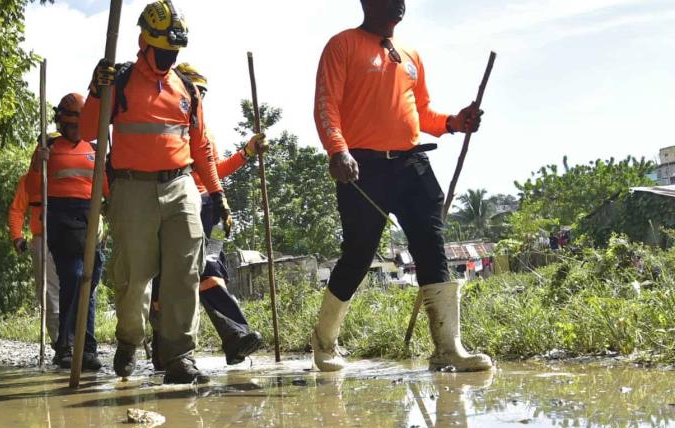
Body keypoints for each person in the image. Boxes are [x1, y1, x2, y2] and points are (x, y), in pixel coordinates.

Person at [312, 0, 493, 372]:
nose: (398, 3)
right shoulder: (342, 44)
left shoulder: (410, 54)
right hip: (361, 167)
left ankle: (448, 348)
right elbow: (326, 104)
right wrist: (337, 151)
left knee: (431, 246)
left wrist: (456, 122)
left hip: (412, 164)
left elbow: (423, 112)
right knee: (359, 254)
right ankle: (325, 343)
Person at [79, 0, 228, 384]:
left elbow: (202, 149)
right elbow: (86, 132)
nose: (168, 57)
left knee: (185, 273)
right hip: (132, 190)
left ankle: (180, 356)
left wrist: (217, 193)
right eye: (162, 50)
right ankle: (130, 339)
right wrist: (97, 90)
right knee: (134, 278)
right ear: (143, 41)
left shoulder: (187, 90)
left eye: (174, 52)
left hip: (180, 187)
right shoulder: (121, 81)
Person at [146, 62, 268, 370]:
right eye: (194, 91)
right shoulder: (167, 125)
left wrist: (247, 153)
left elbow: (212, 169)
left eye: (202, 93)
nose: (198, 97)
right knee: (167, 279)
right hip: (173, 203)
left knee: (209, 268)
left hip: (207, 204)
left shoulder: (204, 129)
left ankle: (235, 335)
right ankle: (166, 352)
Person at [27, 93, 107, 370]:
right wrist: (39, 163)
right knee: (73, 277)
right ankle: (66, 345)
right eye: (70, 123)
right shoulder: (47, 147)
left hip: (89, 218)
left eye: (79, 124)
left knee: (90, 283)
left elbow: (108, 189)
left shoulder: (96, 149)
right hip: (59, 218)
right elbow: (31, 189)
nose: (75, 129)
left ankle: (86, 348)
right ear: (61, 121)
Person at [8, 162, 61, 350]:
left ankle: (78, 342)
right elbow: (17, 209)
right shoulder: (29, 180)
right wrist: (17, 236)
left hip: (73, 236)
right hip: (42, 239)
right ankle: (60, 342)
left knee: (76, 290)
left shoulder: (72, 172)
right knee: (47, 292)